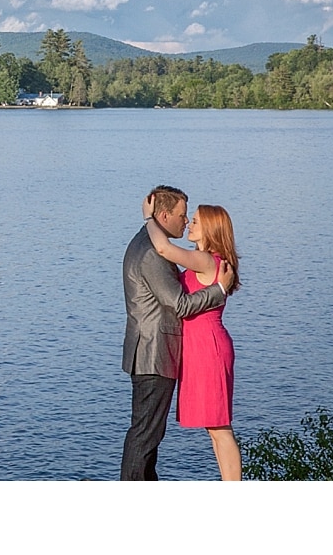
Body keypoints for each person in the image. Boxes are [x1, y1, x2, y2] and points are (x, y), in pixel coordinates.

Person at [120, 185, 234, 481]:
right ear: (164, 215)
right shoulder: (152, 251)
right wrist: (218, 291)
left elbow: (167, 252)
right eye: (184, 216)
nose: (186, 223)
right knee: (146, 434)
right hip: (154, 351)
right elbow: (180, 303)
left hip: (170, 350)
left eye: (192, 219)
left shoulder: (156, 245)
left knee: (151, 433)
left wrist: (148, 221)